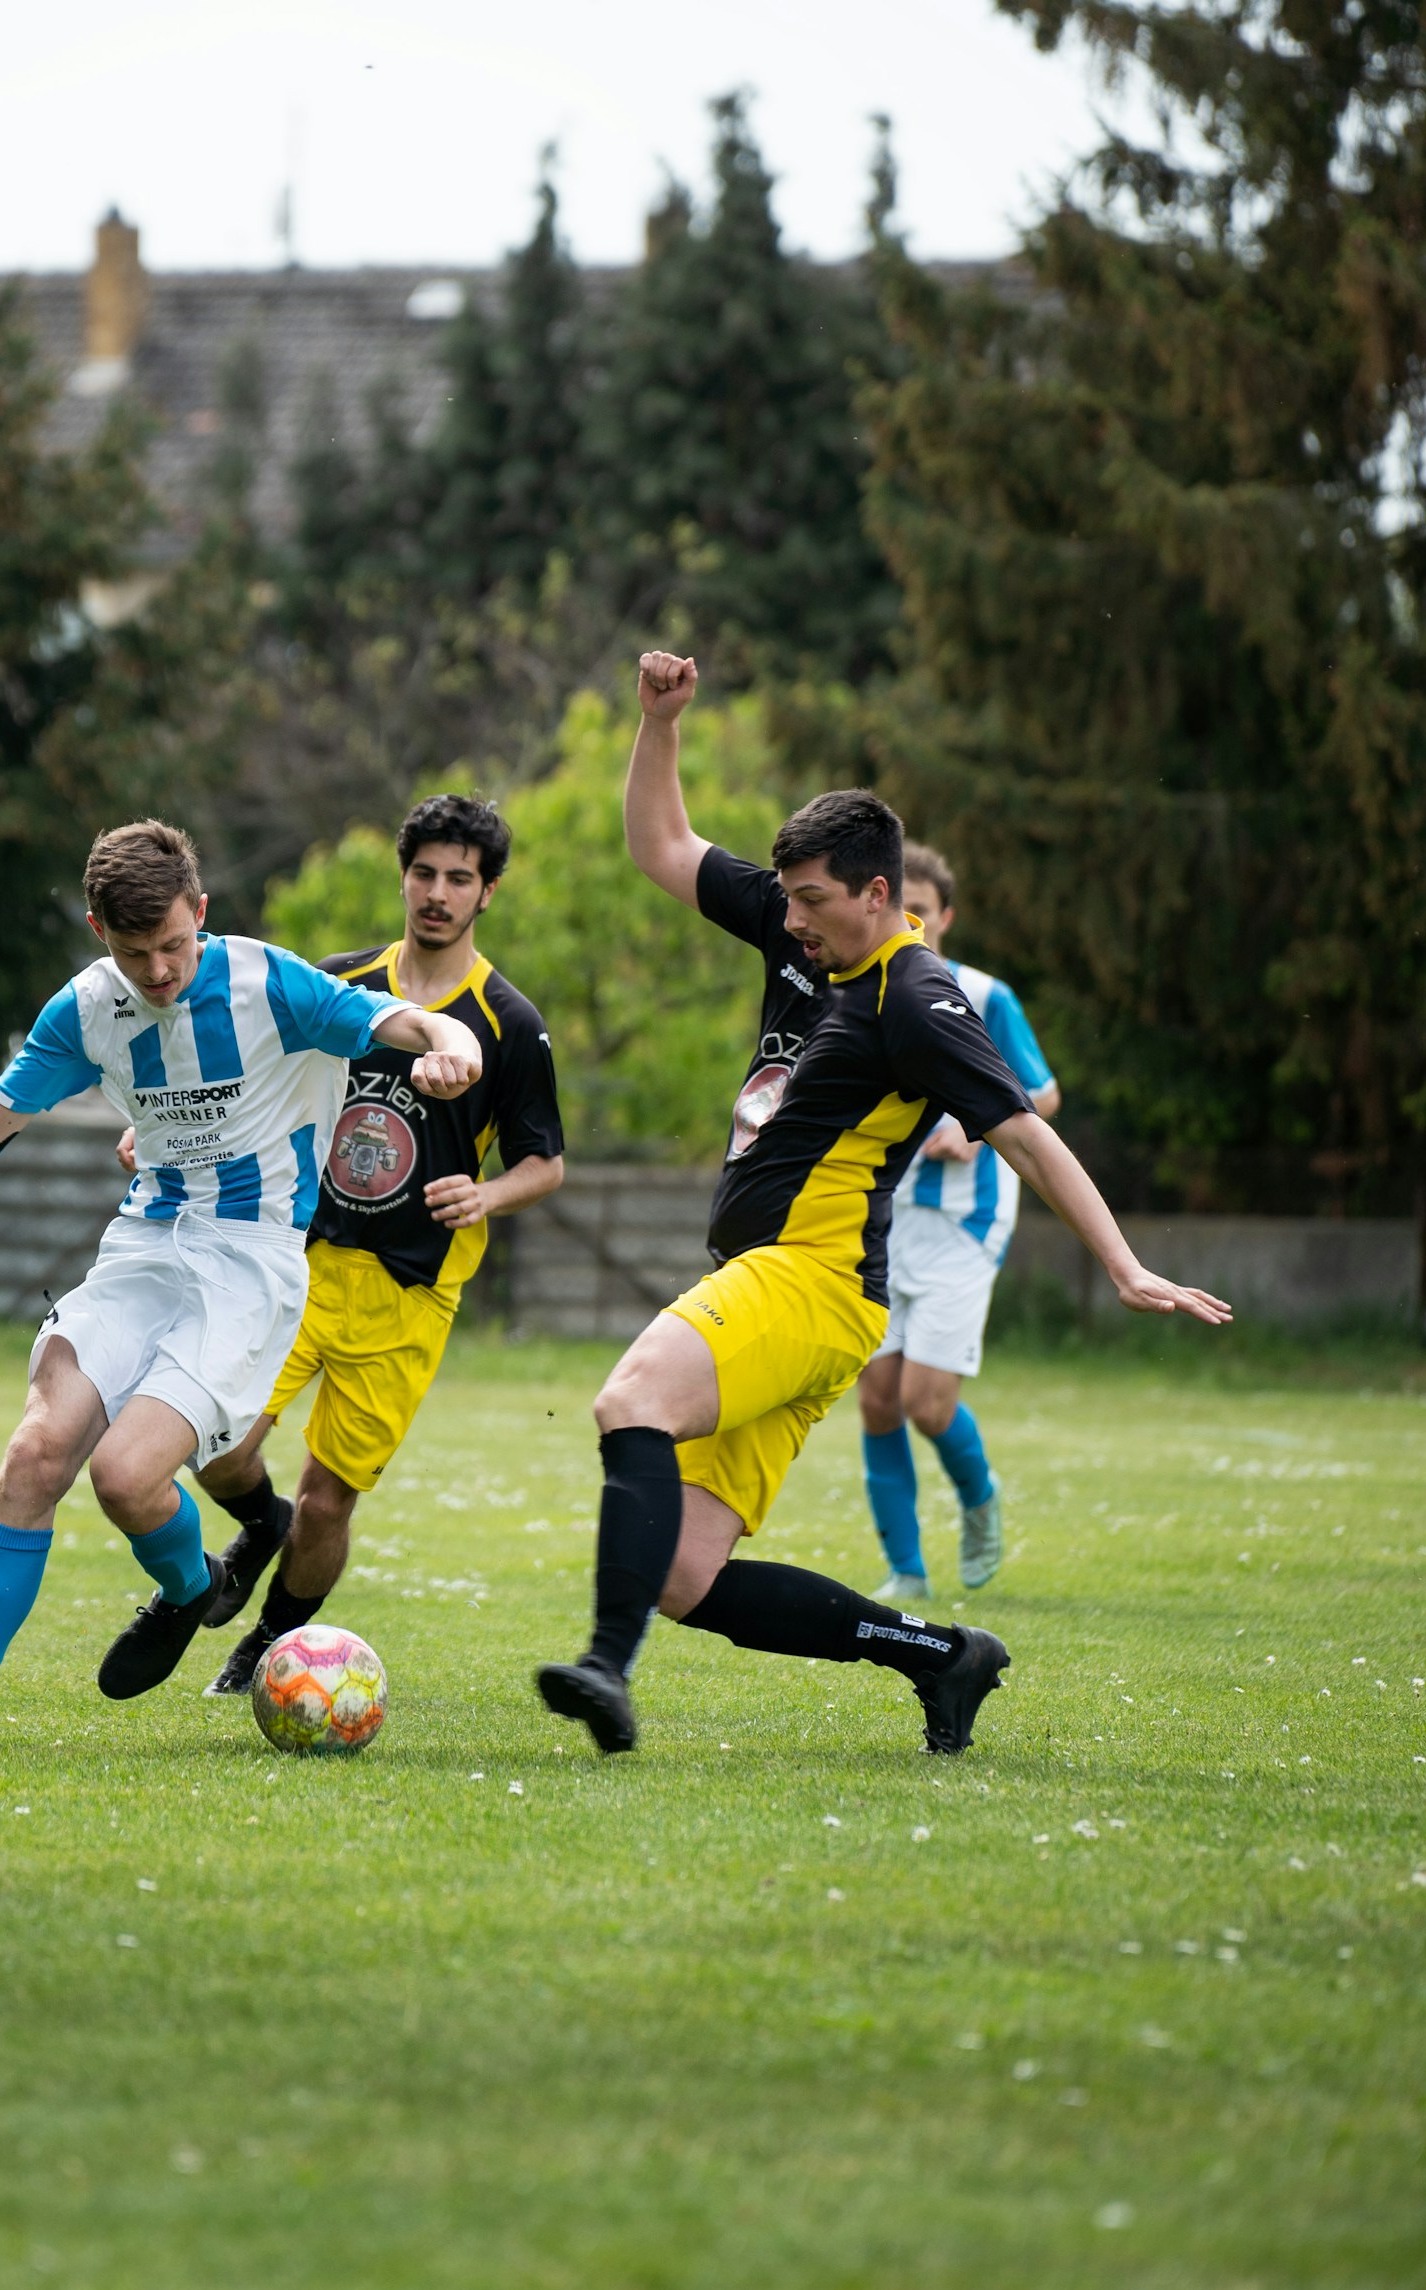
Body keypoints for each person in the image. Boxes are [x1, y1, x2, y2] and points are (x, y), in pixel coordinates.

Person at [535, 653, 1231, 1760]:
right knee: (684, 1575)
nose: (793, 921)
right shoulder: (798, 928)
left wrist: (1123, 1263)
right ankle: (942, 1654)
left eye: (814, 902)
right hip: (779, 1288)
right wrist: (657, 724)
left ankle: (604, 1671)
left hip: (808, 1278)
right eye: (790, 899)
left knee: (630, 1402)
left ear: (881, 896)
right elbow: (660, 848)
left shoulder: (919, 997)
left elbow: (1025, 1132)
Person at [0, 818, 481, 1750]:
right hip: (144, 1246)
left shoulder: (266, 982)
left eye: (174, 945)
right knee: (36, 1453)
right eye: (138, 953)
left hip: (250, 1265)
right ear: (100, 931)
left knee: (127, 1479)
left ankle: (186, 1587)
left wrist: (455, 1049)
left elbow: (405, 1019)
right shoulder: (87, 1009)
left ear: (200, 914)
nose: (161, 971)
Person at [115, 795, 566, 1695]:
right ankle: (257, 1524)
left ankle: (267, 1648)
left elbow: (545, 1163)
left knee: (331, 1499)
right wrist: (161, 1133)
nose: (437, 894)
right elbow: (234, 1080)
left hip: (409, 1292)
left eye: (460, 880)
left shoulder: (509, 1021)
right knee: (218, 1446)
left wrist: (487, 1193)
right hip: (296, 1258)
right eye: (425, 874)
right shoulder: (338, 979)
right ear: (403, 877)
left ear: (489, 893)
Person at [857, 842, 1060, 1604]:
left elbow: (1042, 1094)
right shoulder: (859, 990)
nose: (909, 918)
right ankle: (906, 1568)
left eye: (922, 908)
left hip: (964, 1225)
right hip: (881, 1220)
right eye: (896, 904)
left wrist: (971, 1124)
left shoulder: (982, 993)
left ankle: (979, 1499)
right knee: (877, 1397)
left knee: (926, 1401)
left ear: (944, 916)